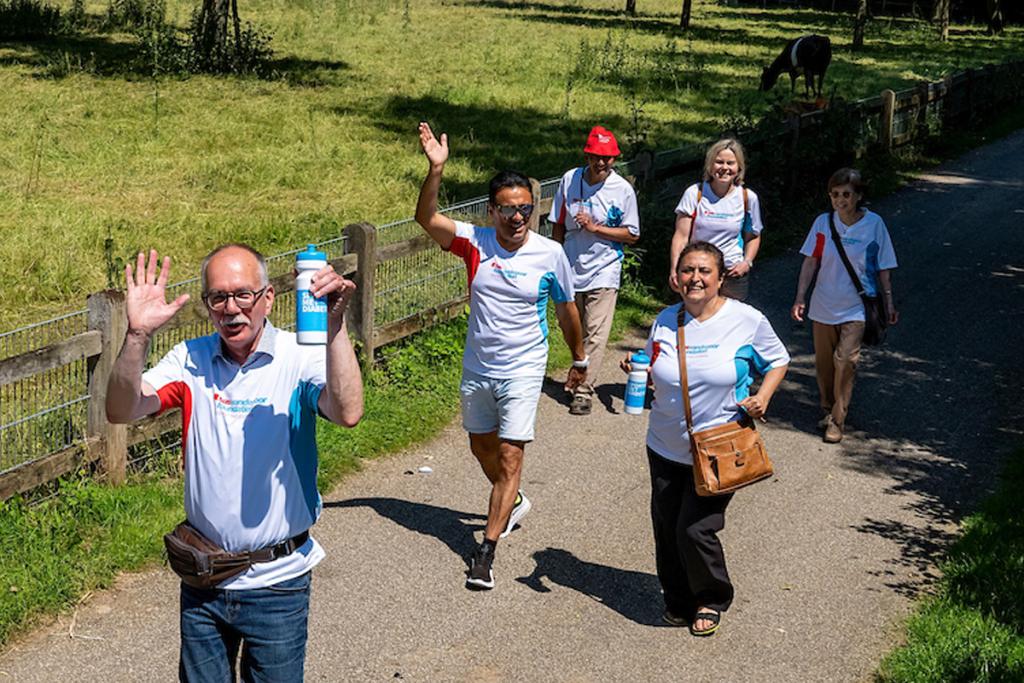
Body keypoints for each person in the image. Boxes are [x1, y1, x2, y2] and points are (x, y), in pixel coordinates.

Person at [105, 244, 364, 682]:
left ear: (268, 298)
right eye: (218, 298)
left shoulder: (298, 356)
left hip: (278, 583)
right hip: (205, 578)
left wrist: (335, 327)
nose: (231, 309)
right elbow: (120, 409)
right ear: (207, 305)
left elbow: (348, 411)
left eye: (244, 295)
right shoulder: (191, 359)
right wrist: (136, 337)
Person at [415, 122, 587, 590]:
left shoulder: (551, 254)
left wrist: (580, 358)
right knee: (481, 446)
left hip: (524, 368)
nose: (517, 219)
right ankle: (513, 500)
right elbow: (426, 219)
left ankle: (485, 552)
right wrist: (436, 170)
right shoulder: (475, 241)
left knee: (510, 455)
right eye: (508, 210)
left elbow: (567, 308)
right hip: (478, 367)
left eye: (525, 209)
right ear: (492, 210)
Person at [628, 241, 789, 637]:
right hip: (665, 443)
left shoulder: (746, 320)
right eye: (687, 271)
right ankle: (679, 601)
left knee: (695, 528)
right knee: (666, 528)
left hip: (720, 445)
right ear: (676, 277)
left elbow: (779, 360)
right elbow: (655, 361)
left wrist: (763, 396)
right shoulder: (665, 319)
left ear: (720, 279)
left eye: (704, 272)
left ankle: (712, 597)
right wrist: (640, 368)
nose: (694, 279)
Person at [791, 167, 899, 443]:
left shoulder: (874, 224)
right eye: (835, 195)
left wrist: (888, 302)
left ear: (858, 196)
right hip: (824, 305)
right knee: (825, 365)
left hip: (857, 307)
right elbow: (810, 261)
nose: (841, 200)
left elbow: (884, 267)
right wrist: (800, 296)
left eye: (847, 195)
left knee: (846, 362)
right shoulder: (822, 223)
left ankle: (837, 420)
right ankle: (828, 409)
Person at [549, 125, 640, 416]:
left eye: (608, 158)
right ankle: (578, 368)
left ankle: (583, 391)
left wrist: (596, 228)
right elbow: (558, 223)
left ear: (615, 159)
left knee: (596, 332)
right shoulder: (569, 179)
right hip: (571, 265)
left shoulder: (622, 190)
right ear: (586, 155)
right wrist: (555, 258)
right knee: (572, 328)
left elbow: (632, 234)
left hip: (605, 267)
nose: (601, 163)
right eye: (595, 157)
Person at [669, 138, 765, 301]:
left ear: (739, 167)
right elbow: (681, 236)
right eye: (719, 162)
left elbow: (753, 236)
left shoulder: (747, 198)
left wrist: (746, 262)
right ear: (710, 165)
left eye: (730, 163)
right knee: (697, 320)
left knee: (731, 323)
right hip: (698, 273)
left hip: (732, 273)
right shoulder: (695, 193)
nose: (724, 168)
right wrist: (675, 269)